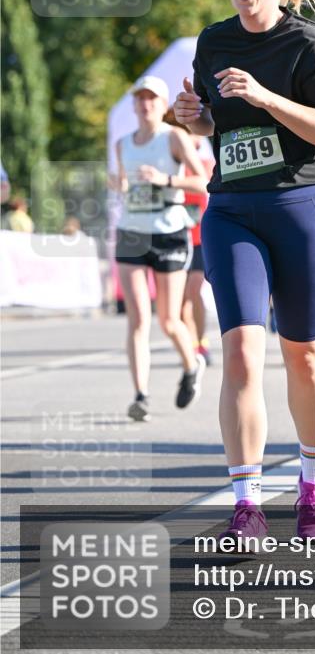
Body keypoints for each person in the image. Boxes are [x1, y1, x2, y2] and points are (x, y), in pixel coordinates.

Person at [174, 0, 315, 544]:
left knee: (302, 352)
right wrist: (195, 118)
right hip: (232, 210)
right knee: (243, 351)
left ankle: (313, 477)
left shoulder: (308, 44)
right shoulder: (213, 40)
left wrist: (267, 96)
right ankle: (246, 501)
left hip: (302, 208)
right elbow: (210, 126)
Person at [112, 75, 209, 422]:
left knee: (168, 320)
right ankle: (141, 395)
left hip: (169, 229)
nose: (145, 104)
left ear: (162, 104)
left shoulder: (176, 138)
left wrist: (166, 180)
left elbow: (203, 182)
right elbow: (125, 185)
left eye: (152, 99)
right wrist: (121, 184)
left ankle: (192, 363)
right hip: (132, 230)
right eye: (140, 98)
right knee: (137, 318)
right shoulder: (123, 144)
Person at [164, 106, 217, 366]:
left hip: (201, 236)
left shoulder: (204, 158)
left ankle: (201, 342)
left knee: (195, 290)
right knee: (182, 298)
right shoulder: (170, 159)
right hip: (177, 234)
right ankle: (191, 346)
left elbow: (208, 185)